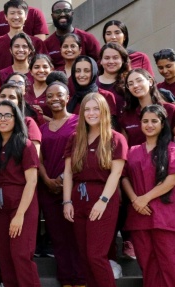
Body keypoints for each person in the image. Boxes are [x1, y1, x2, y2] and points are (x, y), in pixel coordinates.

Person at [62, 93, 127, 287]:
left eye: (96, 108)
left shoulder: (116, 138)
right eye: (87, 109)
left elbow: (116, 174)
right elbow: (67, 173)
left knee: (96, 255)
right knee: (84, 256)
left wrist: (103, 201)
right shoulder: (75, 138)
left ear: (104, 111)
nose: (91, 113)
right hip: (78, 199)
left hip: (103, 198)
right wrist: (67, 202)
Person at [121, 105, 175, 286]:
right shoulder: (132, 151)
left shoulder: (174, 150)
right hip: (140, 217)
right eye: (145, 121)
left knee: (171, 264)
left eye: (154, 121)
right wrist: (134, 200)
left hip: (166, 218)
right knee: (147, 265)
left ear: (163, 124)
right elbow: (123, 178)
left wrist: (143, 199)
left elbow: (171, 181)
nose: (149, 125)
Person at [0, 100, 41, 286]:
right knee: (4, 257)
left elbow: (32, 181)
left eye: (7, 115)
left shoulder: (25, 145)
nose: (2, 119)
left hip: (21, 204)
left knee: (21, 255)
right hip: (0, 205)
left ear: (15, 118)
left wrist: (19, 215)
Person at [37, 80, 85, 286]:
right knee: (58, 238)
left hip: (73, 189)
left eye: (59, 95)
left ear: (67, 98)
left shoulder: (79, 122)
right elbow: (37, 158)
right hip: (48, 189)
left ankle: (81, 279)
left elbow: (81, 153)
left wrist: (65, 179)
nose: (54, 99)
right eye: (50, 96)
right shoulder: (41, 128)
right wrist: (47, 179)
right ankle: (66, 280)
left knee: (76, 237)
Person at [119, 69, 175, 147]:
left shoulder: (169, 109)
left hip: (165, 157)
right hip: (136, 158)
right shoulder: (127, 115)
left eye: (139, 80)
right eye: (130, 84)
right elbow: (125, 148)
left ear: (150, 82)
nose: (135, 85)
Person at [44, 0, 100, 68]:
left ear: (72, 13)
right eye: (57, 12)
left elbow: (99, 63)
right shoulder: (46, 44)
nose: (62, 14)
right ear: (52, 16)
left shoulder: (88, 38)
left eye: (66, 10)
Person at [0, 1, 45, 70]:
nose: (16, 17)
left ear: (25, 16)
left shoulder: (36, 42)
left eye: (20, 13)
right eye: (12, 13)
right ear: (6, 17)